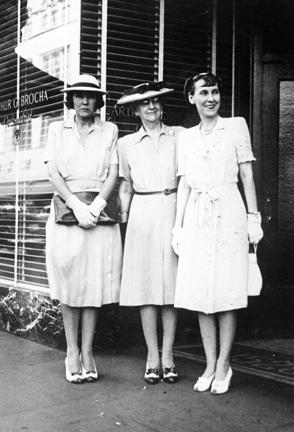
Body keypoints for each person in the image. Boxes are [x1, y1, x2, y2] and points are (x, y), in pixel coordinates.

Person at [172, 72, 263, 394]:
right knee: (200, 294)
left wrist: (254, 218)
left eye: (215, 91)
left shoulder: (235, 126)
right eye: (204, 92)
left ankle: (224, 364)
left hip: (229, 211)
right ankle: (209, 364)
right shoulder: (185, 137)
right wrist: (178, 226)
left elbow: (246, 174)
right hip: (197, 214)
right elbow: (184, 183)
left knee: (226, 292)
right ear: (191, 98)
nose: (211, 98)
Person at [45, 74, 122, 383]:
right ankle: (71, 352)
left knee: (93, 284)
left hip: (99, 214)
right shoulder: (56, 129)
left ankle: (88, 352)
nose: (84, 101)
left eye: (90, 96)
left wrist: (97, 206)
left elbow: (114, 171)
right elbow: (52, 170)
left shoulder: (110, 130)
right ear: (71, 99)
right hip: (67, 211)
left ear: (98, 100)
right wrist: (76, 205)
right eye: (78, 96)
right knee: (69, 282)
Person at [117, 82, 183, 384]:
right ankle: (152, 356)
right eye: (145, 103)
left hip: (173, 208)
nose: (152, 107)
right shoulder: (126, 144)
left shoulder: (180, 136)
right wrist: (125, 221)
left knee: (170, 289)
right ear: (136, 110)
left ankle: (168, 355)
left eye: (156, 101)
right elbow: (126, 185)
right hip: (142, 213)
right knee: (146, 288)